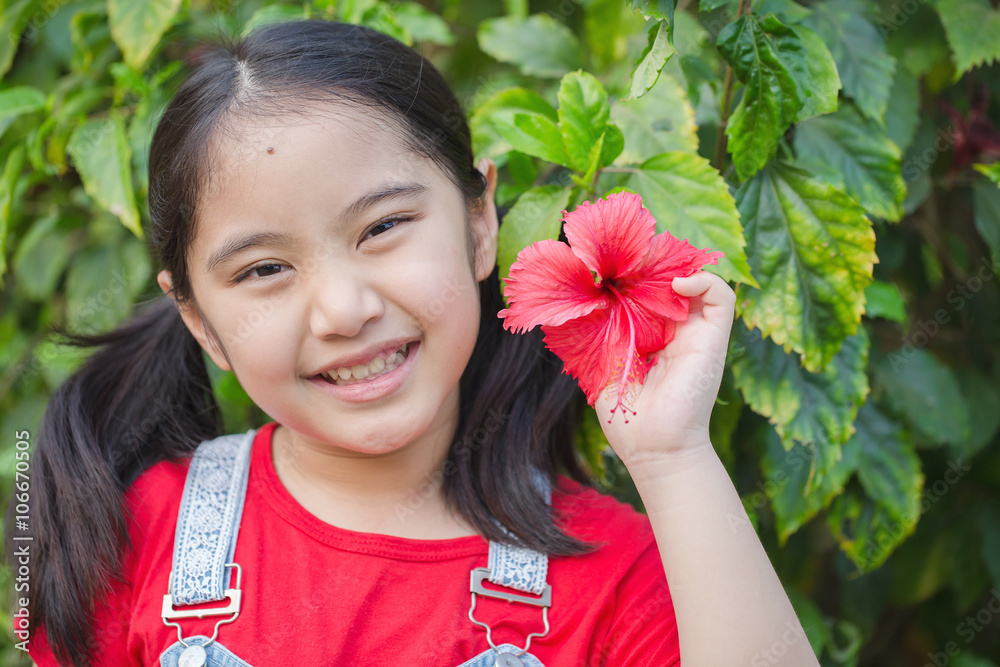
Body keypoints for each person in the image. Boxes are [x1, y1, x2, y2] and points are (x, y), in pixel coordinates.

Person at [9, 19, 817, 667]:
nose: (344, 309)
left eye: (384, 226)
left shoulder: (619, 577)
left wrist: (674, 457)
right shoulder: (133, 536)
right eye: (264, 269)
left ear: (478, 222)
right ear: (200, 323)